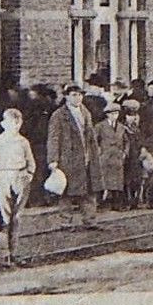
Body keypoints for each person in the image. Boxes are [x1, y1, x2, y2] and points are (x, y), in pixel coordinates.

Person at [0, 107, 36, 266]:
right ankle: (4, 254)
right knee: (3, 217)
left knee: (16, 217)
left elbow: (31, 162)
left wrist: (29, 175)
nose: (15, 126)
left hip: (20, 179)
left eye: (18, 122)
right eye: (11, 122)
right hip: (3, 178)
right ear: (3, 124)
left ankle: (14, 252)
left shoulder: (23, 142)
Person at [46, 83, 101, 228]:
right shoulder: (59, 115)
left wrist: (95, 153)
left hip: (86, 156)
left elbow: (91, 136)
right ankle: (66, 220)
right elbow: (53, 138)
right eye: (74, 95)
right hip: (68, 158)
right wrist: (53, 160)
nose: (78, 98)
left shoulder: (85, 112)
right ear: (66, 97)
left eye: (80, 95)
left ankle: (90, 219)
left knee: (89, 189)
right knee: (66, 190)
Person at [93, 104, 132, 210]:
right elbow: (94, 141)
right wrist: (98, 152)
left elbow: (127, 141)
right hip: (105, 156)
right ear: (107, 115)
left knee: (117, 181)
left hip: (118, 157)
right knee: (103, 179)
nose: (114, 116)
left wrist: (125, 152)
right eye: (112, 114)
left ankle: (116, 203)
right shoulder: (100, 126)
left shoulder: (121, 127)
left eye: (116, 113)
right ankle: (100, 202)